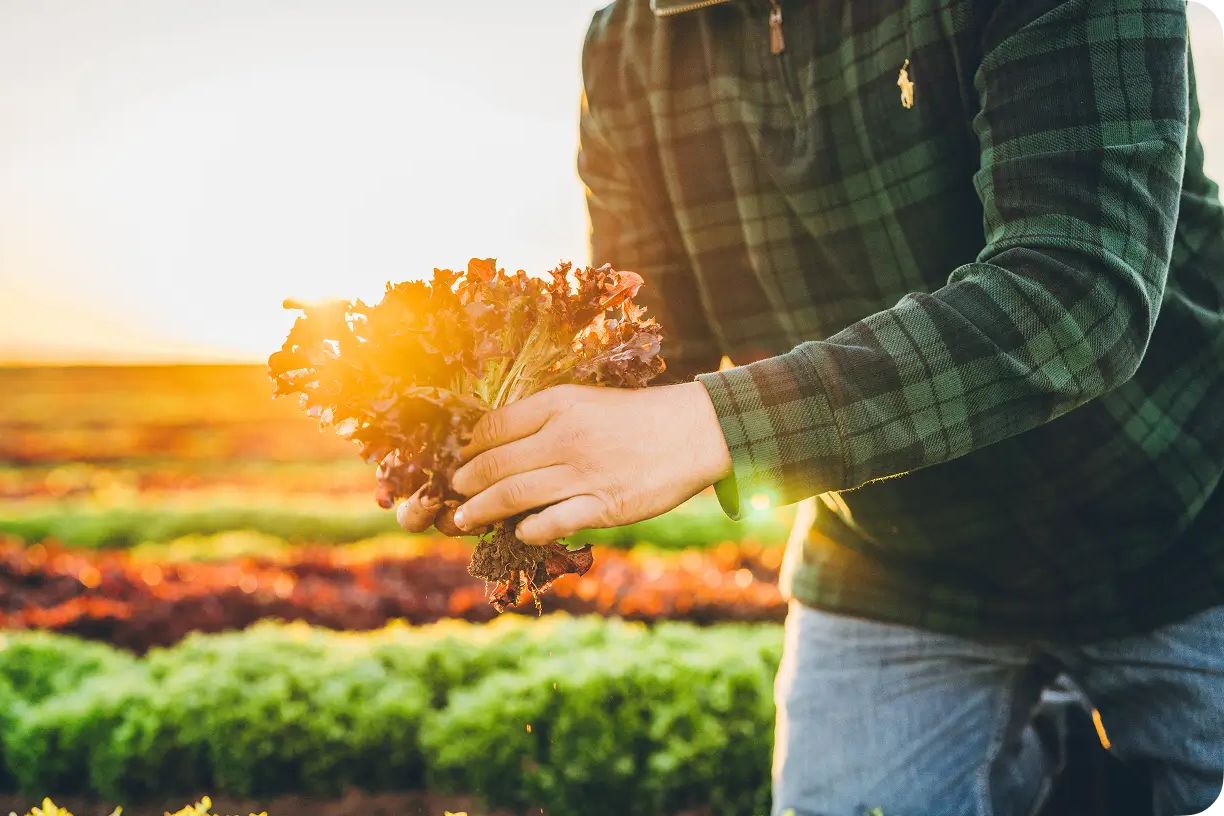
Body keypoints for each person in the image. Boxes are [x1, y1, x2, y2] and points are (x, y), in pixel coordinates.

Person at [398, 0, 1224, 813]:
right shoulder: (627, 47)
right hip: (894, 559)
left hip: (1179, 515)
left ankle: (1069, 759)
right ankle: (1061, 757)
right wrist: (494, 427)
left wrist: (721, 422)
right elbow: (650, 341)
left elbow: (1077, 294)